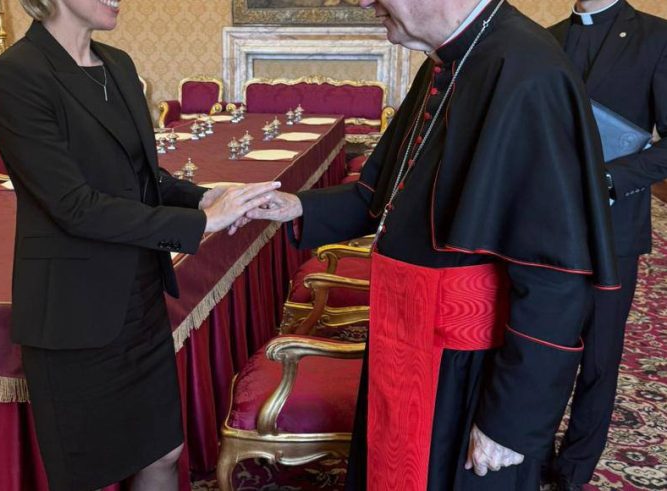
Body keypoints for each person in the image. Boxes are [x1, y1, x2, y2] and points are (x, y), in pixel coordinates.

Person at [247, 0, 620, 489]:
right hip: (406, 342)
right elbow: (383, 194)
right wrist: (297, 206)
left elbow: (554, 275)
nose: (364, 1)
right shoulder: (448, 61)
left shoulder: (529, 71)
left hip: (467, 370)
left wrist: (510, 422)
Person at [0, 1, 275, 490]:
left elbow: (142, 178)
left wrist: (205, 196)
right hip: (75, 310)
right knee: (87, 475)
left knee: (164, 452)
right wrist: (201, 222)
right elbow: (73, 206)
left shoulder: (118, 64)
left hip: (139, 296)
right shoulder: (17, 74)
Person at [547, 1, 667, 489]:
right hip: (544, 227)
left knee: (599, 357)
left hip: (613, 228)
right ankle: (530, 453)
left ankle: (573, 470)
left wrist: (609, 179)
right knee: (541, 350)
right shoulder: (547, 37)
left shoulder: (657, 37)